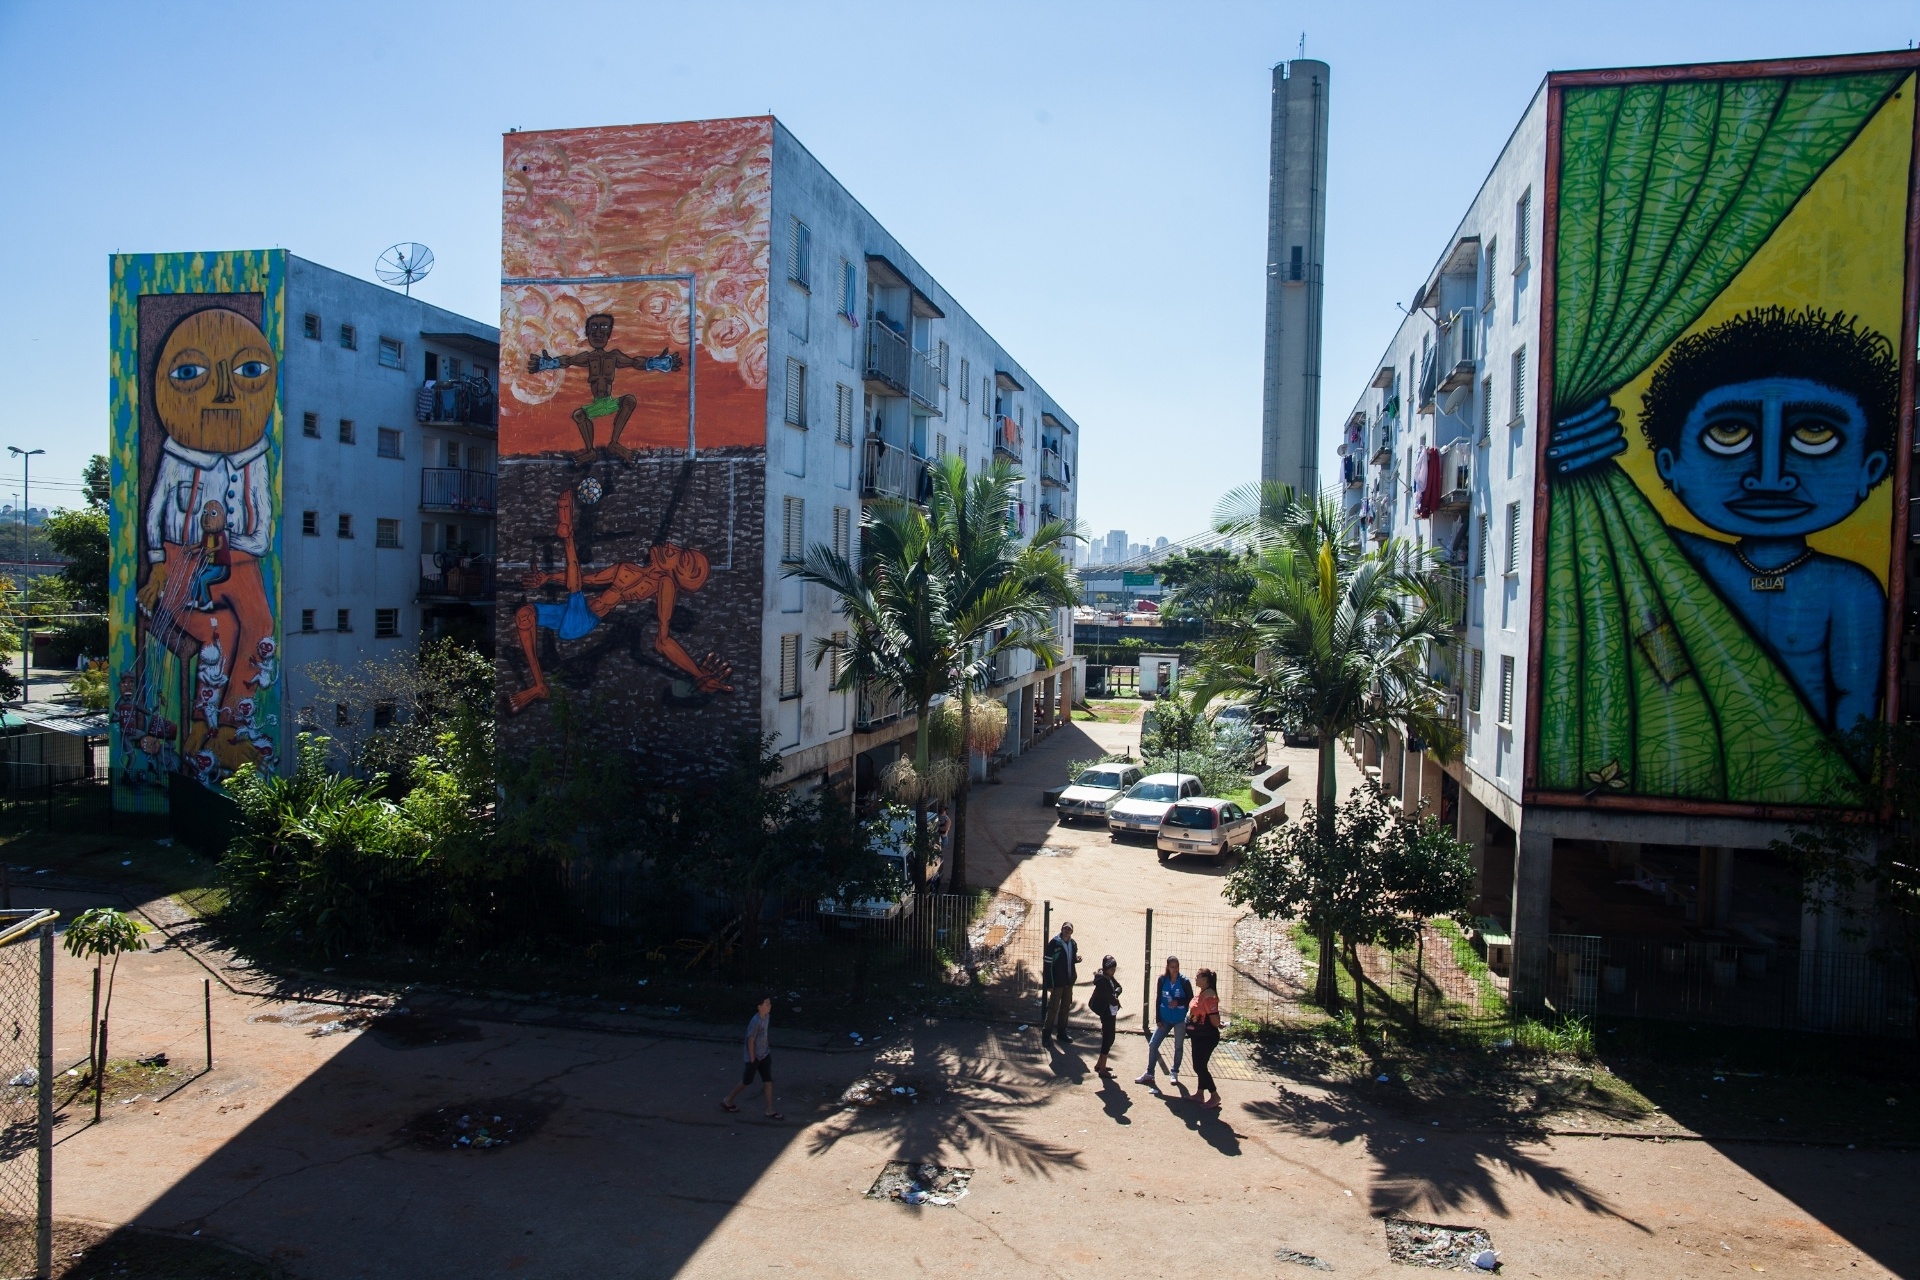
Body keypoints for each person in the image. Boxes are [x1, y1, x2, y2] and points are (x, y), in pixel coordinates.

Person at [1135, 955, 1192, 1090]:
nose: (1175, 970)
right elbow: (1158, 998)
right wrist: (1158, 1018)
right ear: (1167, 967)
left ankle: (1175, 1072)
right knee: (1153, 1044)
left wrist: (1178, 1002)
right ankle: (1150, 1073)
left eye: (1177, 967)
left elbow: (1191, 999)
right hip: (1165, 1018)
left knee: (1178, 1046)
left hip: (1179, 1019)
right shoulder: (1162, 980)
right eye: (1172, 967)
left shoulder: (1184, 982)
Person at [721, 995, 781, 1121]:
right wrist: (753, 1057)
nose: (770, 1006)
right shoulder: (756, 1021)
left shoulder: (767, 1017)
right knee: (747, 1081)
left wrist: (766, 1045)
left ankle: (770, 1109)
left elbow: (764, 1034)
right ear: (759, 1007)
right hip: (754, 1057)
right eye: (767, 1004)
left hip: (764, 1054)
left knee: (768, 1080)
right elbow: (751, 1039)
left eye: (770, 1003)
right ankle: (728, 1099)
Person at [1187, 967, 1223, 1110]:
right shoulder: (1202, 992)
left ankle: (1214, 1095)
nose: (1195, 979)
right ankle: (1200, 1093)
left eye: (1198, 976)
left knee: (1199, 1066)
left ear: (1205, 980)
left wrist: (1219, 1023)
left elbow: (1214, 1021)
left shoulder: (1209, 997)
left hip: (1207, 1037)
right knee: (1199, 1065)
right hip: (1198, 1036)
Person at [1042, 922, 1079, 1044]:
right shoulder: (1054, 944)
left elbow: (1071, 960)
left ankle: (1062, 1033)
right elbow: (1048, 965)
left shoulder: (1073, 944)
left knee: (1065, 1008)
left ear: (1072, 932)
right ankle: (1046, 1035)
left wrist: (1076, 960)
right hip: (1057, 983)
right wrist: (1050, 984)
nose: (1067, 931)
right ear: (1061, 929)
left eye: (1069, 929)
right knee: (1052, 1009)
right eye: (1065, 928)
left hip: (1068, 982)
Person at [1089, 955, 1122, 1076]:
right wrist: (1115, 999)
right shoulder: (1103, 981)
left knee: (1109, 1038)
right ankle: (1102, 1069)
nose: (1113, 972)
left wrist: (1116, 994)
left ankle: (1100, 1064)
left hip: (1110, 1011)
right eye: (1111, 969)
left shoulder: (1109, 977)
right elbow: (1111, 999)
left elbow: (1119, 987)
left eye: (1114, 969)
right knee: (1108, 1038)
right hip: (1106, 1012)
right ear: (1106, 969)